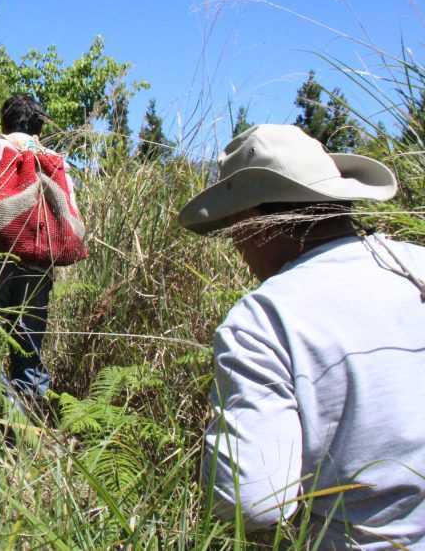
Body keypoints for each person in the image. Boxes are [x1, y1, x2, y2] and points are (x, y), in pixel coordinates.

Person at [178, 123, 425, 549]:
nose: (236, 246)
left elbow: (252, 503)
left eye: (233, 227)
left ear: (257, 223)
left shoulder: (263, 319)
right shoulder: (415, 266)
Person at [0, 94, 82, 403]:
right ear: (39, 128)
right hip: (38, 264)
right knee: (29, 346)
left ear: (4, 122)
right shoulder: (54, 160)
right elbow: (71, 211)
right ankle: (29, 423)